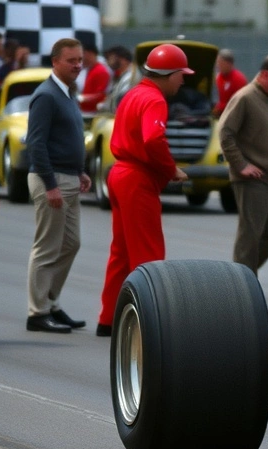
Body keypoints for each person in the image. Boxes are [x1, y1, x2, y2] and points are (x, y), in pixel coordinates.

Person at [95, 44, 193, 337]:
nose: (183, 80)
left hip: (119, 173)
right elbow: (153, 139)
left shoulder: (134, 93)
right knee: (148, 254)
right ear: (169, 74)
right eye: (181, 74)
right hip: (137, 179)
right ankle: (151, 322)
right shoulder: (154, 99)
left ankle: (108, 318)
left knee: (121, 253)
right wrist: (171, 168)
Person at [25, 38, 92, 333]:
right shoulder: (46, 95)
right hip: (51, 179)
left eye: (80, 60)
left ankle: (51, 302)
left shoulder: (67, 93)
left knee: (71, 244)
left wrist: (80, 171)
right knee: (47, 247)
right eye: (71, 60)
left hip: (69, 178)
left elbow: (69, 137)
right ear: (55, 62)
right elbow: (36, 143)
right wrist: (50, 184)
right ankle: (37, 312)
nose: (78, 65)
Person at [219, 54, 268, 272]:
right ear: (265, 75)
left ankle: (243, 271)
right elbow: (225, 132)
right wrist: (241, 165)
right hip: (254, 180)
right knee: (250, 233)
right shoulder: (246, 97)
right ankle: (242, 278)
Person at [213, 48, 248, 118]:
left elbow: (239, 103)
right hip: (219, 115)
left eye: (220, 63)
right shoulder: (218, 78)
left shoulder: (239, 79)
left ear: (228, 64)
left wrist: (220, 108)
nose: (218, 65)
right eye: (217, 62)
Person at [77, 44, 110, 113]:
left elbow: (101, 96)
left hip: (93, 113)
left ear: (89, 53)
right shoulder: (89, 70)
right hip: (85, 111)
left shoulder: (100, 71)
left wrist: (81, 98)